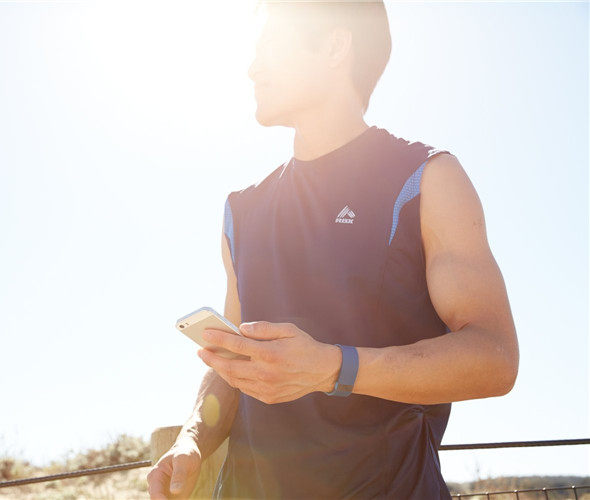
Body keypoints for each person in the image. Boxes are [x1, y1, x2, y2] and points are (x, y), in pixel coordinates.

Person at [147, 1, 519, 498]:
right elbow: (232, 364)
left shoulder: (427, 179)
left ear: (336, 46)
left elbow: (495, 357)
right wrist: (194, 439)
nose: (253, 68)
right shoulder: (242, 209)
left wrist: (332, 367)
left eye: (271, 46)